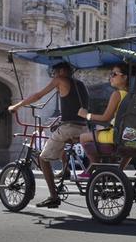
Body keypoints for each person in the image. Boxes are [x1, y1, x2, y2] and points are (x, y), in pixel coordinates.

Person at [7, 62, 88, 208]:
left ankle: (53, 196)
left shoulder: (60, 80)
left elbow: (38, 95)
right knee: (60, 140)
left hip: (69, 128)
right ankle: (66, 170)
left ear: (62, 71)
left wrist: (17, 106)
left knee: (42, 158)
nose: (54, 76)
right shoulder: (80, 84)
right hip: (83, 128)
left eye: (54, 72)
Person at [77, 65, 136, 177]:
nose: (110, 77)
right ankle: (119, 170)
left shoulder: (117, 94)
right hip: (132, 136)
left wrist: (86, 115)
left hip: (115, 136)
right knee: (128, 147)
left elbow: (106, 118)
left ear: (125, 77)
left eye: (114, 74)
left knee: (83, 137)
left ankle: (92, 168)